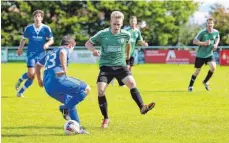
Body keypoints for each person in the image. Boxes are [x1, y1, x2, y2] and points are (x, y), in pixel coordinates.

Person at [85, 11, 155, 128]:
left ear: (122, 23)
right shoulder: (102, 34)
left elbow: (128, 44)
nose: (116, 27)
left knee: (132, 83)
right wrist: (93, 51)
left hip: (120, 66)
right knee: (101, 91)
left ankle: (142, 107)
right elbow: (88, 43)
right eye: (114, 24)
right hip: (106, 66)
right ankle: (106, 118)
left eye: (119, 24)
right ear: (110, 23)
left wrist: (127, 56)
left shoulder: (126, 34)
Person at [35, 35, 90, 134]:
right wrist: (64, 69)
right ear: (70, 45)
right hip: (59, 80)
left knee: (70, 100)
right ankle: (64, 108)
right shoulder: (65, 49)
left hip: (48, 86)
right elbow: (62, 52)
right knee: (86, 88)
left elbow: (38, 65)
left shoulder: (50, 52)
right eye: (73, 47)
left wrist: (39, 79)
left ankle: (78, 128)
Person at [15, 10, 54, 97]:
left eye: (39, 16)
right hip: (31, 54)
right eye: (35, 16)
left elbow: (51, 40)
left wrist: (47, 44)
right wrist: (20, 48)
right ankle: (21, 79)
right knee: (31, 74)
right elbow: (23, 39)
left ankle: (20, 92)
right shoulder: (28, 28)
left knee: (33, 76)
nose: (37, 18)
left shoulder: (46, 28)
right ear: (33, 18)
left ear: (42, 18)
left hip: (41, 55)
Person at [188, 17, 220, 92]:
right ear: (207, 24)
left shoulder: (216, 32)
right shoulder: (202, 32)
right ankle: (190, 86)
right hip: (200, 55)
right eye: (208, 23)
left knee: (213, 67)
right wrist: (203, 43)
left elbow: (218, 38)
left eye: (211, 23)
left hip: (209, 54)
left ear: (213, 24)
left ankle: (205, 81)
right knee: (197, 71)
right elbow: (194, 41)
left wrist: (216, 44)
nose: (210, 24)